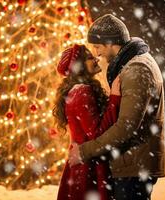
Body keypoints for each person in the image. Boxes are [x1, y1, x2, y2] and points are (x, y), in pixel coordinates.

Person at [68, 14, 165, 200]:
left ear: (110, 42)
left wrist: (84, 151)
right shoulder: (133, 64)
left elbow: (125, 128)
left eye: (97, 46)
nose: (96, 53)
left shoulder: (136, 69)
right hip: (132, 164)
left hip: (134, 166)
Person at [53, 44, 121, 200]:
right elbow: (97, 132)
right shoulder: (82, 91)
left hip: (82, 166)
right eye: (90, 58)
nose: (96, 59)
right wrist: (115, 99)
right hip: (88, 168)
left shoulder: (76, 90)